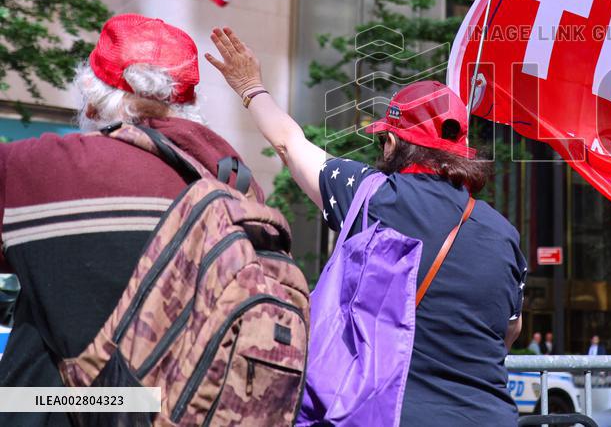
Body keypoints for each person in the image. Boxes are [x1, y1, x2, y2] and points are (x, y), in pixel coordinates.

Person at [206, 26, 528, 426]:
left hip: (394, 415)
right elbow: (511, 330)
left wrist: (250, 86)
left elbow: (290, 144)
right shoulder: (503, 232)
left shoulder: (371, 196)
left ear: (393, 144)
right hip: (490, 417)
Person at [0, 15, 264, 426]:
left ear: (90, 98)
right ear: (188, 106)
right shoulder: (236, 183)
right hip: (186, 410)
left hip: (47, 409)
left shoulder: (35, 167)